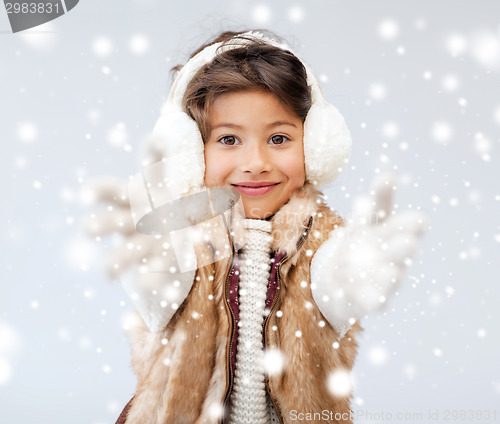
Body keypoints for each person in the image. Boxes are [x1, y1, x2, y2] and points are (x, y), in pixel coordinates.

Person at [87, 29, 427, 424]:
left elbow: (336, 288)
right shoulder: (185, 237)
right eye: (229, 139)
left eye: (279, 138)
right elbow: (157, 292)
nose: (257, 162)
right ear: (191, 153)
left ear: (316, 146)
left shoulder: (321, 244)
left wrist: (360, 263)